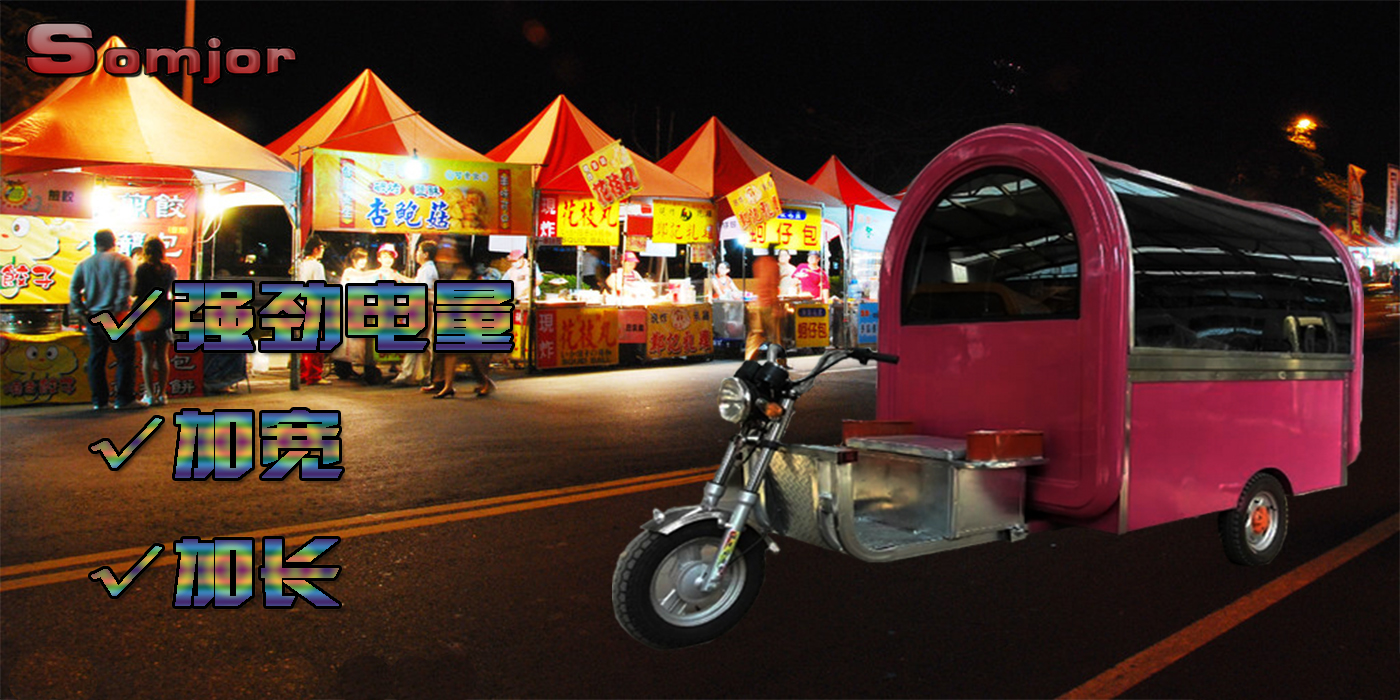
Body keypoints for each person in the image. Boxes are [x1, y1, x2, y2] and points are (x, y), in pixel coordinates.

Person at [70, 229, 137, 410]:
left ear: (95, 243)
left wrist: (80, 310)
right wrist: (118, 309)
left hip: (93, 314)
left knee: (97, 358)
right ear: (114, 241)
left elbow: (74, 289)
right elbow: (125, 289)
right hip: (114, 315)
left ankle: (100, 401)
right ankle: (124, 399)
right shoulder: (122, 261)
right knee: (125, 356)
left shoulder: (85, 264)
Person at [131, 236, 177, 406]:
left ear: (146, 251)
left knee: (148, 356)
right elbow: (173, 289)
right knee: (163, 355)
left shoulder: (142, 269)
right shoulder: (170, 269)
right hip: (164, 311)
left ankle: (150, 394)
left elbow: (135, 291)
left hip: (146, 313)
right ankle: (162, 394)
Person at [392, 241, 439, 386]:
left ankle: (413, 375)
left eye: (419, 250)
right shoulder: (426, 269)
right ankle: (424, 375)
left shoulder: (427, 270)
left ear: (426, 254)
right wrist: (401, 278)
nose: (416, 253)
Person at [297, 236, 330, 386]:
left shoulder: (301, 264)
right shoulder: (317, 266)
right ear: (316, 249)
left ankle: (304, 374)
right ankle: (315, 375)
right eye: (321, 248)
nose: (322, 251)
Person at [745, 248, 784, 362]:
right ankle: (780, 362)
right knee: (775, 337)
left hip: (758, 304)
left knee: (756, 334)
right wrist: (776, 307)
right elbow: (773, 286)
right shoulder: (774, 265)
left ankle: (749, 360)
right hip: (769, 305)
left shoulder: (758, 262)